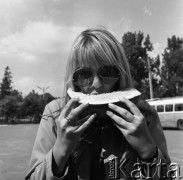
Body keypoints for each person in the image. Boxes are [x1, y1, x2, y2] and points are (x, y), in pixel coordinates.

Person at [25, 27, 171, 180]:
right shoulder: (54, 114)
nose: (96, 84)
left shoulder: (144, 115)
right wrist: (59, 151)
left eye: (107, 73)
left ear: (121, 74)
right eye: (84, 74)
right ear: (73, 78)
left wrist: (149, 152)